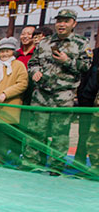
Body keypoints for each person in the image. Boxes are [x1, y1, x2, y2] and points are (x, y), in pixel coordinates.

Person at [23, 9, 91, 173]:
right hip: (41, 94)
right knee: (35, 131)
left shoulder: (81, 43)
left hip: (64, 95)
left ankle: (56, 167)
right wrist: (35, 72)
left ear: (74, 23)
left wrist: (67, 61)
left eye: (66, 21)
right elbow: (33, 63)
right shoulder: (45, 43)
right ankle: (32, 162)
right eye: (59, 20)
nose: (61, 24)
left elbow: (86, 67)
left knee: (60, 134)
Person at [75, 37, 99, 166]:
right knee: (83, 134)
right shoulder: (93, 55)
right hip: (87, 101)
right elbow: (84, 76)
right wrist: (82, 95)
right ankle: (79, 162)